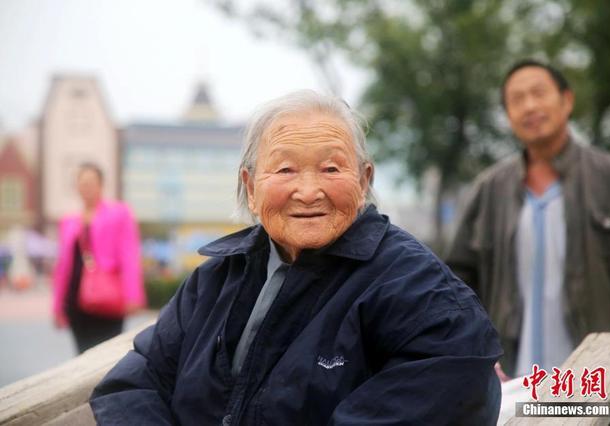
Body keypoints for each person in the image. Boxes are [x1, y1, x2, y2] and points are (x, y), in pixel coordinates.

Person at [90, 90, 503, 425]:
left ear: (364, 181)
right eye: (285, 170)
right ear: (250, 187)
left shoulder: (418, 289)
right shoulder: (215, 278)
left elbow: (450, 387)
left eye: (330, 169)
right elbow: (133, 384)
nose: (308, 191)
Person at [447, 59, 610, 379]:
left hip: (603, 381)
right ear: (508, 115)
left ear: (567, 100)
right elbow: (456, 284)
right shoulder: (487, 191)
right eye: (517, 99)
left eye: (539, 93)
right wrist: (476, 355)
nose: (530, 105)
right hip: (513, 382)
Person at [52, 163, 146, 353]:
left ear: (101, 185)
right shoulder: (69, 221)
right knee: (82, 354)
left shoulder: (119, 214)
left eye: (91, 183)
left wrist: (133, 295)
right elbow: (63, 267)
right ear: (77, 187)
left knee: (107, 357)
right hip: (76, 300)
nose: (86, 188)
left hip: (108, 297)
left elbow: (129, 256)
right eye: (83, 183)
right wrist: (58, 306)